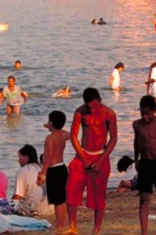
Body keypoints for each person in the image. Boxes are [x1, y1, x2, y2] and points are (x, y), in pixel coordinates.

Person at [67, 87, 117, 235]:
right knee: (71, 188)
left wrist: (102, 159)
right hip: (83, 154)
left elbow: (113, 138)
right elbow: (73, 136)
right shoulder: (80, 112)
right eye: (89, 107)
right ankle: (72, 227)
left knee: (99, 195)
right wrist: (82, 157)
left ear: (100, 100)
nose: (92, 110)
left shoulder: (109, 113)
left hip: (100, 155)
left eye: (94, 106)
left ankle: (96, 230)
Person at [133, 95, 156, 235]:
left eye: (148, 113)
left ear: (154, 111)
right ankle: (144, 232)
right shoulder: (136, 125)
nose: (145, 116)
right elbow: (137, 141)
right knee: (144, 197)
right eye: (142, 113)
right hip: (144, 163)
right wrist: (135, 158)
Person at [38, 110, 70, 232]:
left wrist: (42, 173)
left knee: (57, 201)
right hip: (62, 167)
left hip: (53, 169)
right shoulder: (63, 135)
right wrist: (51, 126)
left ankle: (60, 225)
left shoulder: (49, 138)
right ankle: (64, 223)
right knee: (62, 200)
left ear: (51, 122)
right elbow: (70, 135)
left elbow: (48, 158)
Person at [12, 145, 46, 216]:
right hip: (47, 209)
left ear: (26, 158)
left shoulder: (22, 171)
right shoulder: (42, 168)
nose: (18, 160)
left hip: (34, 211)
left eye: (19, 156)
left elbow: (17, 197)